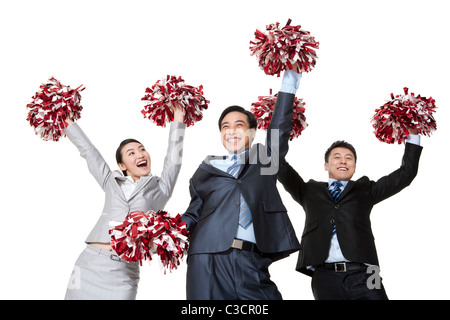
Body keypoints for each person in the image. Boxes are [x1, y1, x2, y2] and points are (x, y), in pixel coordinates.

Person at [181, 69, 302, 300]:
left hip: (250, 258)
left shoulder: (265, 160)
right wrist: (166, 232)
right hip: (205, 258)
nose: (231, 131)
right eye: (225, 127)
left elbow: (279, 132)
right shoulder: (204, 172)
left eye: (239, 125)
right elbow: (193, 214)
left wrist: (289, 82)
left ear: (253, 132)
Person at [277, 129, 422, 300]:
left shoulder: (366, 189)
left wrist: (413, 136)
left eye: (349, 158)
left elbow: (406, 174)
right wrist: (277, 128)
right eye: (337, 157)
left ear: (354, 166)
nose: (343, 161)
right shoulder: (308, 190)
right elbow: (278, 165)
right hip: (324, 277)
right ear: (326, 165)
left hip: (368, 273)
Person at [63, 106, 185, 299]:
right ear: (122, 166)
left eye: (142, 149)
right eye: (131, 153)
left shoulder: (161, 188)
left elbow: (173, 161)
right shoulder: (110, 180)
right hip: (90, 263)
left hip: (124, 272)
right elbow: (89, 152)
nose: (140, 154)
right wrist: (67, 121)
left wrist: (178, 119)